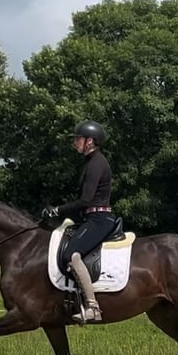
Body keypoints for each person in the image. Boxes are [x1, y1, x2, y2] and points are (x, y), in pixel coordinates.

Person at [41, 120, 117, 324]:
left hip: (99, 218)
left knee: (72, 255)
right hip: (91, 217)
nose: (75, 142)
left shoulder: (97, 163)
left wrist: (58, 209)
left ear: (90, 141)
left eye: (78, 139)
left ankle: (93, 307)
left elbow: (86, 200)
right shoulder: (90, 162)